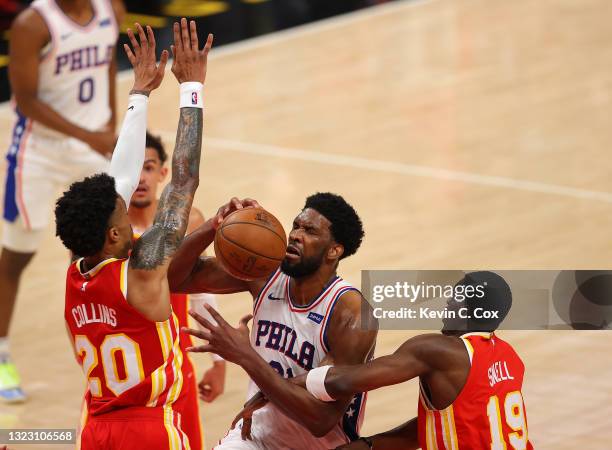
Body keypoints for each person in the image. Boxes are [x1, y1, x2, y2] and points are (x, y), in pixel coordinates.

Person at [56, 19, 213, 448]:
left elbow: (116, 182)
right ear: (112, 236)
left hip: (96, 430)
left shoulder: (76, 272)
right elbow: (182, 182)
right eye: (122, 217)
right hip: (149, 430)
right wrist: (191, 89)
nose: (130, 212)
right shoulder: (141, 269)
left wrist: (140, 93)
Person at [191, 271, 533, 450]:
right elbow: (439, 425)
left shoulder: (439, 350)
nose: (447, 304)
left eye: (455, 297)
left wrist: (264, 374)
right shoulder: (510, 359)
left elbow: (345, 381)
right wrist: (371, 445)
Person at [168, 194, 378, 449]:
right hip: (254, 435)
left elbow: (321, 419)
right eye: (296, 226)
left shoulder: (351, 314)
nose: (296, 235)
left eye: (310, 231)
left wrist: (245, 356)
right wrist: (213, 227)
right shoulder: (265, 273)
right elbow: (174, 279)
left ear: (334, 250)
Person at [0, 0, 125, 402]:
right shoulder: (32, 23)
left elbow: (106, 60)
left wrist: (109, 119)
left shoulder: (110, 8)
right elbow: (27, 101)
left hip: (89, 148)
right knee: (17, 256)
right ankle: (0, 355)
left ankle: (109, 344)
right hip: (38, 152)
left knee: (103, 252)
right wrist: (90, 136)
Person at [128, 131, 227, 449]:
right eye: (133, 168)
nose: (141, 178)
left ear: (163, 173)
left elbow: (201, 291)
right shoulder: (106, 234)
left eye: (148, 167)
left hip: (174, 370)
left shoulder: (187, 220)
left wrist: (217, 362)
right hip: (127, 371)